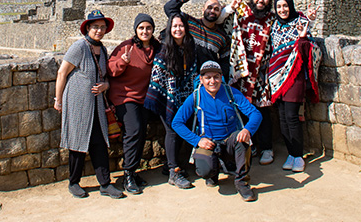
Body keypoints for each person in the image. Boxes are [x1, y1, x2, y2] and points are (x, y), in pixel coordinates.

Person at [55, 9, 124, 199]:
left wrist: (105, 86)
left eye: (102, 27)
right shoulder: (79, 47)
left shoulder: (102, 50)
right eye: (95, 27)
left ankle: (104, 184)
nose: (99, 31)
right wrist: (58, 100)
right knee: (77, 142)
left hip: (97, 103)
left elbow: (106, 77)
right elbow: (62, 73)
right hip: (78, 102)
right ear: (87, 28)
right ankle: (74, 182)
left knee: (99, 142)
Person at [172, 61, 263, 202]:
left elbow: (255, 114)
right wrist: (197, 141)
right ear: (201, 79)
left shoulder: (231, 93)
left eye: (216, 77)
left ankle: (242, 182)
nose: (212, 81)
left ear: (221, 77)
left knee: (242, 140)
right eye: (208, 78)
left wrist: (247, 130)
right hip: (209, 142)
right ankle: (212, 174)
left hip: (230, 140)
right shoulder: (196, 97)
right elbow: (177, 123)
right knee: (204, 169)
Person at [267, 0, 321, 173]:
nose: (282, 10)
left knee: (291, 116)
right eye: (279, 7)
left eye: (285, 6)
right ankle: (291, 153)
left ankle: (298, 156)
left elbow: (306, 49)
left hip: (294, 75)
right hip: (276, 76)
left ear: (291, 6)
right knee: (282, 117)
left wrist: (305, 31)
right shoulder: (274, 25)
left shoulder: (300, 22)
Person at [107, 13, 160, 194]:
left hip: (144, 98)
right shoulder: (126, 47)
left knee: (141, 132)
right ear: (136, 30)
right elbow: (110, 69)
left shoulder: (156, 48)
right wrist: (122, 62)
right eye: (141, 28)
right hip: (125, 96)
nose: (145, 31)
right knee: (135, 130)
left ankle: (133, 171)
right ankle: (128, 174)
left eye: (148, 28)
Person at [144, 14, 198, 189]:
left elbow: (193, 74)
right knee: (173, 132)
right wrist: (169, 96)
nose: (178, 29)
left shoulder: (190, 49)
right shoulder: (164, 50)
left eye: (181, 26)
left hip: (186, 99)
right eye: (174, 26)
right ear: (169, 28)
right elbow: (158, 76)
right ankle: (174, 172)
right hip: (167, 99)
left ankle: (174, 166)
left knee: (186, 131)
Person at [226, 0, 276, 165]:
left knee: (262, 111)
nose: (261, 0)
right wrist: (231, 8)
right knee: (242, 111)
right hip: (241, 73)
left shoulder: (273, 19)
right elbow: (218, 20)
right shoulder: (241, 13)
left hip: (262, 74)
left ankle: (267, 148)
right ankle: (249, 146)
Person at [164, 0, 231, 79]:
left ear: (220, 13)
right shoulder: (189, 23)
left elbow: (225, 63)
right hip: (184, 78)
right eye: (209, 7)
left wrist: (218, 79)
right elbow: (169, 8)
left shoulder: (222, 37)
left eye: (216, 9)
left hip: (206, 82)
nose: (212, 11)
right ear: (203, 9)